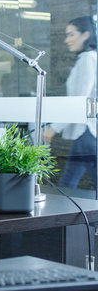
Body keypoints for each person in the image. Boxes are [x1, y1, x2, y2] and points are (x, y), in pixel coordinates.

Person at [43, 16, 97, 188]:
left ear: (86, 34)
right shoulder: (87, 59)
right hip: (86, 134)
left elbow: (80, 101)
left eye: (71, 34)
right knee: (69, 183)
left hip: (86, 133)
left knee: (68, 183)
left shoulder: (88, 60)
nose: (67, 40)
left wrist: (54, 128)